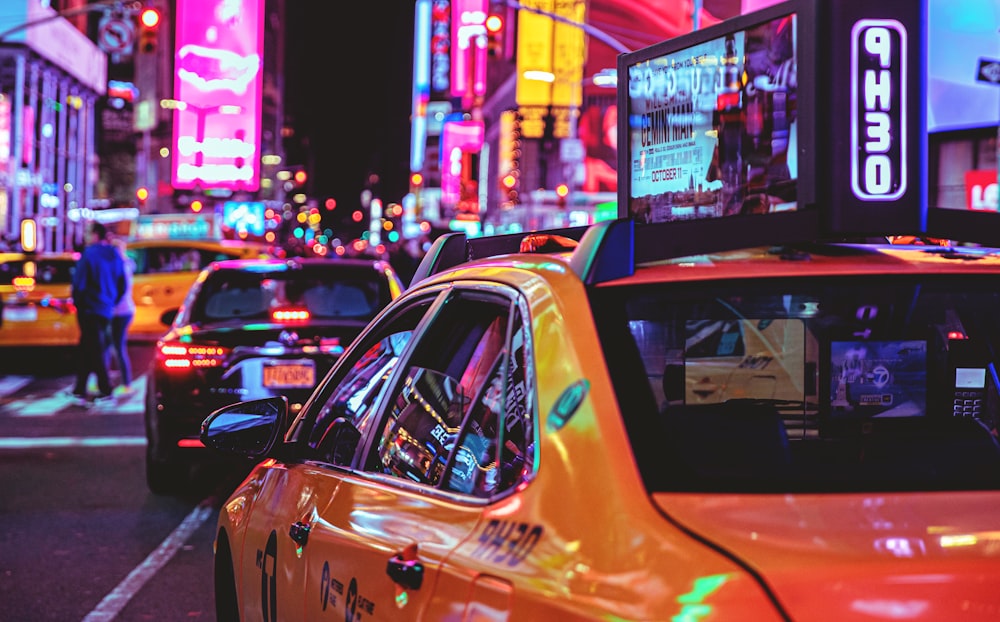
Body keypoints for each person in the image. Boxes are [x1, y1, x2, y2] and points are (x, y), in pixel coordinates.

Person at [71, 222, 126, 402]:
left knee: (93, 348)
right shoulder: (113, 254)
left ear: (95, 234)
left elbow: (79, 285)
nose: (86, 236)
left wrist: (79, 303)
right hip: (105, 308)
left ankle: (105, 386)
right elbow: (122, 284)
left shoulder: (89, 255)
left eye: (88, 232)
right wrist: (111, 301)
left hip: (89, 308)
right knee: (88, 346)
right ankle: (80, 386)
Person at [106, 237, 136, 395]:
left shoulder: (121, 266)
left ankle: (126, 382)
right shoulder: (126, 265)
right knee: (112, 345)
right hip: (124, 310)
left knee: (116, 346)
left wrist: (110, 304)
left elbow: (120, 290)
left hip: (120, 311)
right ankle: (109, 379)